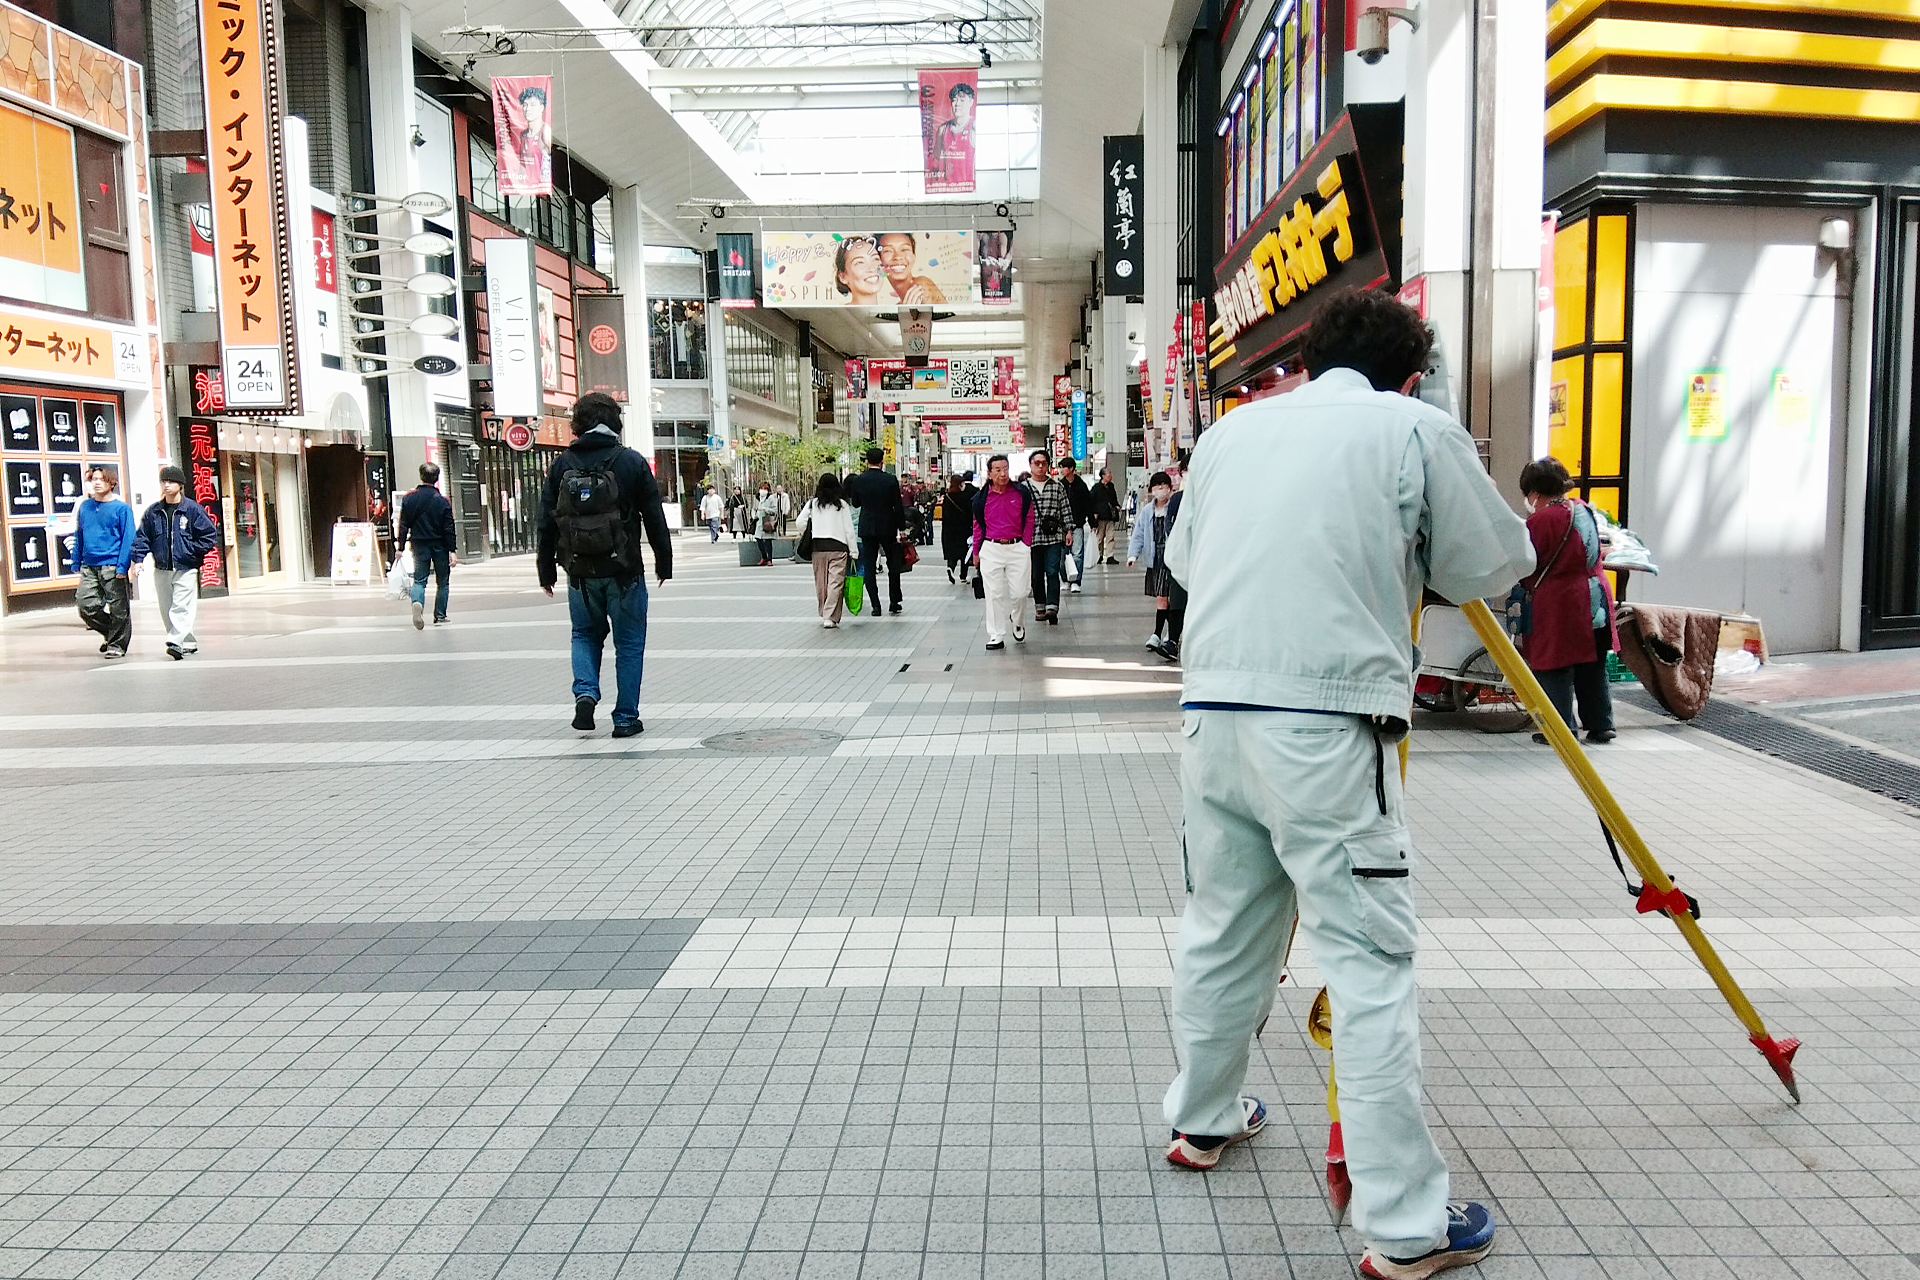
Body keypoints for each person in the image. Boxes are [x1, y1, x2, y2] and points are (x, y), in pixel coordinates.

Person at [1160, 290, 1533, 1280]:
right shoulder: (1413, 425)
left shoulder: (1233, 434)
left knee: (1223, 927)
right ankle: (1407, 1223)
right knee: (1368, 962)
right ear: (1412, 373)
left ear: (1314, 354)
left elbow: (1185, 559)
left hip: (1214, 717)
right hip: (1327, 728)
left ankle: (1201, 1119)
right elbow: (1495, 560)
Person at [537, 392, 673, 739]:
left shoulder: (563, 464)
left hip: (579, 573)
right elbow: (654, 516)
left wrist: (546, 569)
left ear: (579, 423)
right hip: (624, 570)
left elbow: (546, 521)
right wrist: (663, 561)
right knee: (629, 645)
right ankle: (625, 718)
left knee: (584, 635)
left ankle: (585, 692)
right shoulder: (631, 462)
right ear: (615, 421)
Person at [1518, 457, 1619, 746]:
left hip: (1561, 604)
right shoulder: (1583, 509)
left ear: (1535, 492)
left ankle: (1559, 729)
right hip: (1596, 597)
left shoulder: (1541, 521)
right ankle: (1601, 725)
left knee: (1554, 668)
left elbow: (1528, 561)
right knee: (1593, 665)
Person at [130, 465, 219, 660]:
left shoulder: (192, 510)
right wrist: (138, 560)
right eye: (163, 481)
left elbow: (209, 535)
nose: (166, 485)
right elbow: (143, 536)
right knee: (166, 607)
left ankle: (175, 641)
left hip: (186, 567)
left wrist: (191, 553)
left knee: (181, 606)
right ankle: (186, 641)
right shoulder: (154, 512)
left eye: (171, 481)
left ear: (180, 485)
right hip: (161, 568)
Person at [970, 454, 1035, 650]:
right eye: (997, 470)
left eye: (1005, 468)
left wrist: (1026, 543)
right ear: (989, 474)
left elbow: (1030, 518)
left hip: (1018, 547)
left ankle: (1017, 619)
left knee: (1021, 592)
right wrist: (976, 552)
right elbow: (978, 526)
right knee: (994, 594)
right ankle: (996, 634)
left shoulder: (1021, 493)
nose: (1003, 473)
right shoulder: (980, 499)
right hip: (991, 548)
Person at [72, 465, 134, 659]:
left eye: (101, 479)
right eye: (94, 479)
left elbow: (128, 538)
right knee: (85, 606)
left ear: (111, 483)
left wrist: (123, 566)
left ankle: (117, 644)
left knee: (118, 608)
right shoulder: (85, 507)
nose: (97, 483)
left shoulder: (121, 509)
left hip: (112, 565)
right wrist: (76, 560)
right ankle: (112, 632)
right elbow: (79, 534)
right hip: (89, 565)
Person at [1128, 471, 1185, 661]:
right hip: (1155, 558)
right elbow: (1138, 534)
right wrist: (1132, 554)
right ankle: (1164, 634)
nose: (1161, 489)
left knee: (1168, 598)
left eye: (1164, 485)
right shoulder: (1147, 511)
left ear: (1171, 487)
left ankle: (1164, 634)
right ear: (1151, 490)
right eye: (1157, 486)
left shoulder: (1176, 507)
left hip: (1173, 557)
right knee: (1162, 598)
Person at [846, 446, 907, 615]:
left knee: (869, 566)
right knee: (893, 565)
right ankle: (894, 601)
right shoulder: (890, 480)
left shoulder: (859, 480)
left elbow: (856, 503)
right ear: (882, 462)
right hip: (888, 526)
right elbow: (898, 506)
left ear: (867, 462)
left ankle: (875, 605)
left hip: (867, 527)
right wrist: (902, 529)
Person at [395, 463, 457, 630]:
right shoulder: (443, 501)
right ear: (436, 479)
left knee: (420, 580)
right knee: (443, 581)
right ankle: (440, 615)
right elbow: (449, 527)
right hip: (440, 545)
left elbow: (403, 524)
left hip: (419, 544)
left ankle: (417, 603)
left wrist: (400, 547)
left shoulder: (409, 498)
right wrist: (452, 550)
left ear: (421, 476)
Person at [799, 472, 858, 628]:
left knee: (821, 583)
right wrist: (854, 551)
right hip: (838, 548)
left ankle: (825, 612)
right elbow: (849, 530)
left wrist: (810, 531)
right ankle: (829, 615)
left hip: (818, 548)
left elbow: (800, 522)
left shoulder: (813, 504)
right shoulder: (842, 505)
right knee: (835, 583)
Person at [1025, 450, 1072, 624]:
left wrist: (1069, 531)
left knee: (1052, 572)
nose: (1040, 466)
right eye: (1036, 463)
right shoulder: (1023, 488)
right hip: (1031, 538)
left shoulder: (1057, 486)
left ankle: (1052, 607)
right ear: (1030, 465)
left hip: (1054, 537)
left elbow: (1065, 510)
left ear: (1048, 465)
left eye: (1043, 463)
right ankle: (1040, 606)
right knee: (1036, 575)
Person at [1057, 454, 1094, 593]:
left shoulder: (1081, 486)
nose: (1062, 470)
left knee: (1077, 554)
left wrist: (1091, 522)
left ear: (1071, 468)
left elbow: (1088, 505)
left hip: (1077, 525)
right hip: (1062, 527)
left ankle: (1076, 581)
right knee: (1062, 555)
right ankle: (1065, 579)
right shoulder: (1060, 485)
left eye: (1064, 467)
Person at [877, 232, 947, 305]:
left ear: (914, 256)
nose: (898, 257)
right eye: (888, 251)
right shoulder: (901, 304)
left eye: (904, 249)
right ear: (878, 260)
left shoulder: (921, 285)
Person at [929, 82, 976, 188]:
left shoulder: (974, 127)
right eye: (954, 100)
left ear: (971, 102)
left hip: (968, 185)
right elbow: (936, 159)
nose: (957, 104)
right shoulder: (943, 129)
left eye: (962, 100)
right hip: (947, 187)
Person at [834, 237, 888, 306]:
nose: (872, 268)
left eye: (875, 259)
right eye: (859, 262)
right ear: (843, 277)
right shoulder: (837, 315)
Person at [940, 473, 974, 584]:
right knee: (964, 553)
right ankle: (963, 576)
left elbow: (944, 515)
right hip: (963, 529)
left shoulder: (947, 497)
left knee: (952, 552)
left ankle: (950, 567)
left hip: (949, 530)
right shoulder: (965, 497)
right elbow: (970, 513)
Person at [1092, 468, 1123, 564]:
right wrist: (1094, 513)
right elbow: (1092, 500)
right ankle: (1099, 555)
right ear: (1103, 476)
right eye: (1109, 474)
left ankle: (1110, 556)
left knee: (1110, 536)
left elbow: (1114, 498)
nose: (1110, 475)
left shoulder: (1111, 486)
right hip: (1100, 516)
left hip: (1110, 515)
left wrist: (1117, 505)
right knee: (1099, 537)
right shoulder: (1096, 487)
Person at [752, 483, 781, 566]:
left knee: (768, 541)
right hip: (758, 522)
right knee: (759, 540)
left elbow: (775, 510)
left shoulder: (771, 498)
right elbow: (753, 508)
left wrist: (765, 509)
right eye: (762, 489)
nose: (763, 491)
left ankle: (769, 559)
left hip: (767, 522)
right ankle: (764, 557)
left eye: (765, 489)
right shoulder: (756, 498)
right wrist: (754, 515)